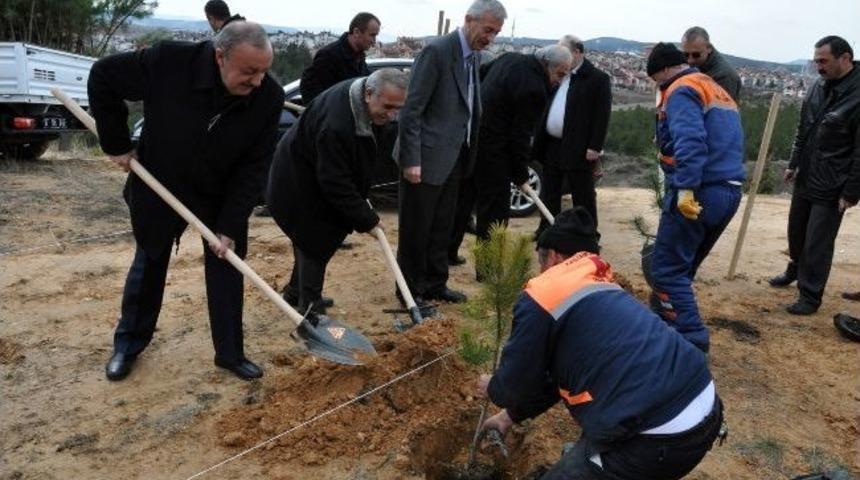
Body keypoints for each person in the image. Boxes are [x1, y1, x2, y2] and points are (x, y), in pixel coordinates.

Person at [88, 21, 284, 381]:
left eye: (264, 71)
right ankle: (128, 345)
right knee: (149, 260)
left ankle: (230, 353)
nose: (257, 81)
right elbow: (103, 76)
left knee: (228, 263)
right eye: (249, 71)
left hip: (220, 190)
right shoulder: (169, 61)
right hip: (160, 180)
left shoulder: (268, 97)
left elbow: (255, 166)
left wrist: (228, 225)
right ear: (220, 56)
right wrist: (116, 143)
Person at [476, 207, 724, 480]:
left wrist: (495, 388)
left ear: (555, 256)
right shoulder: (605, 287)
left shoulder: (544, 294)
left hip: (659, 435)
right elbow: (557, 380)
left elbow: (514, 385)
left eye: (541, 262)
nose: (539, 273)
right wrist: (508, 417)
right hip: (705, 408)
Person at [266, 69, 408, 318]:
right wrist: (367, 219)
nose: (393, 114)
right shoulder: (337, 125)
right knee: (315, 240)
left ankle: (295, 292)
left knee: (309, 239)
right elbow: (335, 182)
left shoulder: (360, 97)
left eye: (398, 108)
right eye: (387, 106)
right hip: (296, 181)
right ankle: (311, 311)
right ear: (368, 94)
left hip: (311, 171)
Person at [394, 0, 506, 305]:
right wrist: (411, 160)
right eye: (488, 30)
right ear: (469, 20)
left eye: (495, 33)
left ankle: (434, 283)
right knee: (416, 229)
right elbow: (411, 111)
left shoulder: (472, 58)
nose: (490, 38)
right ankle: (409, 290)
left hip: (455, 157)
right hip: (425, 159)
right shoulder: (438, 52)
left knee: (442, 226)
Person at [647, 42, 745, 353]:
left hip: (700, 190)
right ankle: (661, 321)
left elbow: (691, 141)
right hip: (728, 190)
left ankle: (691, 342)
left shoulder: (681, 90)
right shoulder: (714, 88)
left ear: (663, 71)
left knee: (666, 269)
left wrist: (686, 188)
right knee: (682, 267)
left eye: (655, 80)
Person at [768, 36, 859, 315]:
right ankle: (794, 269)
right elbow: (803, 127)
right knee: (796, 232)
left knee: (818, 242)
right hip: (807, 174)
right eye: (816, 60)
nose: (818, 66)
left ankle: (810, 295)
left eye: (823, 61)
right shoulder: (819, 85)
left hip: (834, 183)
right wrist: (794, 163)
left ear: (844, 59)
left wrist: (851, 191)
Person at [471, 46, 572, 243]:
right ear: (546, 64)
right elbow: (520, 137)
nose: (559, 82)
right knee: (494, 215)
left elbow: (480, 74)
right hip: (496, 153)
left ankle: (449, 253)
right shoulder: (535, 89)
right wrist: (520, 174)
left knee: (466, 202)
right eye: (559, 74)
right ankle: (487, 271)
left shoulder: (509, 58)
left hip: (474, 141)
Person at [532, 35, 612, 240]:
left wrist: (595, 146)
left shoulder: (597, 79)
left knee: (582, 194)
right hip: (551, 144)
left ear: (577, 52)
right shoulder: (558, 73)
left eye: (565, 52)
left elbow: (602, 115)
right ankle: (548, 230)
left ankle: (588, 236)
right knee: (550, 191)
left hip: (579, 146)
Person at [299, 12, 380, 104]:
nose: (374, 41)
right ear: (356, 32)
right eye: (372, 35)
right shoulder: (328, 55)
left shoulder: (358, 57)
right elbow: (312, 93)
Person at [681, 26, 741, 102]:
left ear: (709, 48)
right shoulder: (689, 64)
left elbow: (722, 110)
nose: (690, 60)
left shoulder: (725, 76)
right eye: (686, 54)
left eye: (696, 55)